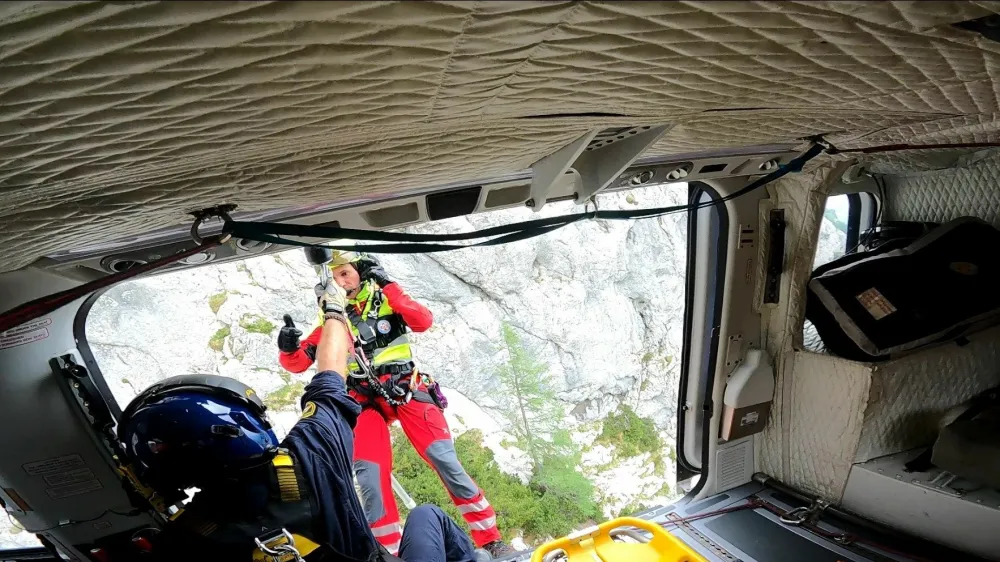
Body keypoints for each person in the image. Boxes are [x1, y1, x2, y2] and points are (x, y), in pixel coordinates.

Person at [118, 282, 485, 561]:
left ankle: (489, 538)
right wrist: (331, 316)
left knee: (434, 466)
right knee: (426, 515)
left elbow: (420, 320)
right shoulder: (308, 454)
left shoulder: (181, 541)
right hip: (383, 403)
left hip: (400, 396)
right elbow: (327, 370)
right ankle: (486, 547)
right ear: (245, 426)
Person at [278, 253, 512, 558]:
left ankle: (490, 538)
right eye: (334, 277)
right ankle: (386, 551)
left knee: (445, 461)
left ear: (361, 272)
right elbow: (299, 362)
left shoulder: (386, 300)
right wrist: (287, 347)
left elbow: (422, 320)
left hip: (407, 390)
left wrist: (388, 284)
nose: (340, 282)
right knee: (370, 479)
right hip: (366, 403)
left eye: (345, 273)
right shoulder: (333, 320)